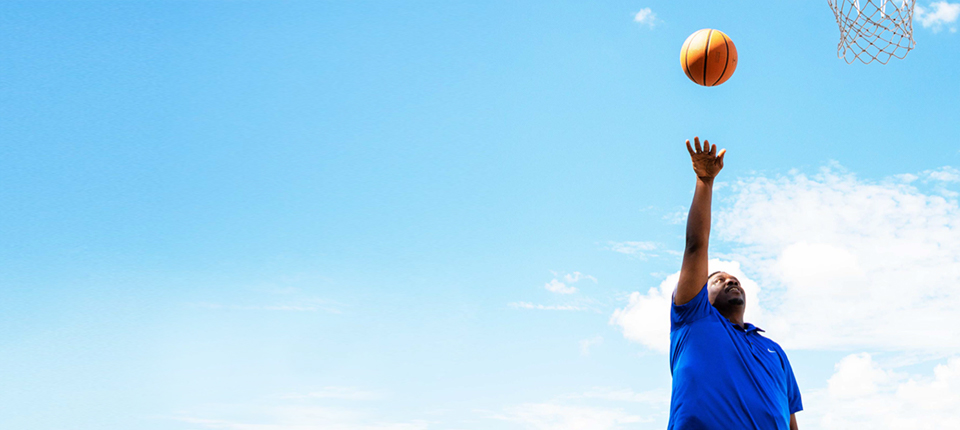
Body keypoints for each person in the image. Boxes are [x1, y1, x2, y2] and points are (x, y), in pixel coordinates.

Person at [668, 137, 802, 430]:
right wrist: (705, 182)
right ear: (703, 293)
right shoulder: (693, 320)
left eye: (736, 280)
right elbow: (695, 245)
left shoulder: (774, 350)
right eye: (719, 279)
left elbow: (790, 419)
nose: (731, 281)